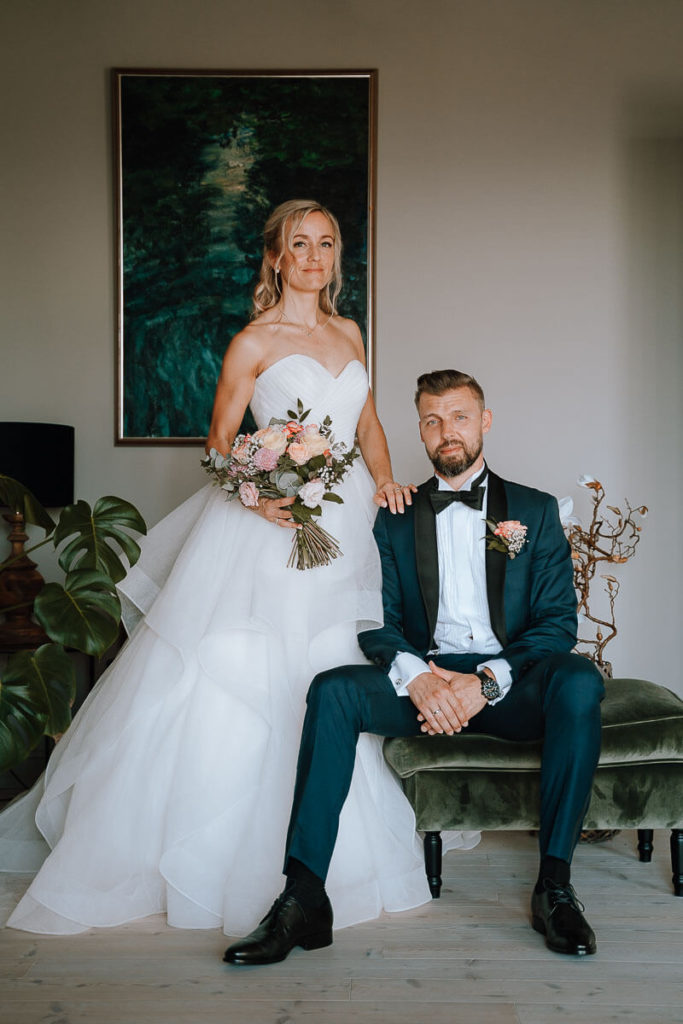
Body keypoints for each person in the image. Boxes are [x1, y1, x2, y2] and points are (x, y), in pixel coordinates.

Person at [0, 203, 478, 935]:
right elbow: (221, 443)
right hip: (271, 525)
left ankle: (332, 846)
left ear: (334, 257)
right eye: (299, 245)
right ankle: (225, 852)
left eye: (326, 244)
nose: (314, 257)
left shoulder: (348, 332)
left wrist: (384, 482)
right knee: (251, 669)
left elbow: (370, 425)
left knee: (344, 658)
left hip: (348, 523)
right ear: (275, 257)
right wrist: (260, 499)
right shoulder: (251, 341)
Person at [224, 368, 605, 967]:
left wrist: (485, 682)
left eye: (458, 416)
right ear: (421, 434)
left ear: (484, 421)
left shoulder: (533, 509)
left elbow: (557, 626)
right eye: (432, 421)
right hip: (423, 683)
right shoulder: (393, 514)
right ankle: (302, 898)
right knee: (332, 690)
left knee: (579, 681)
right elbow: (375, 617)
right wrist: (422, 678)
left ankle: (554, 886)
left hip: (509, 685)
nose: (446, 432)